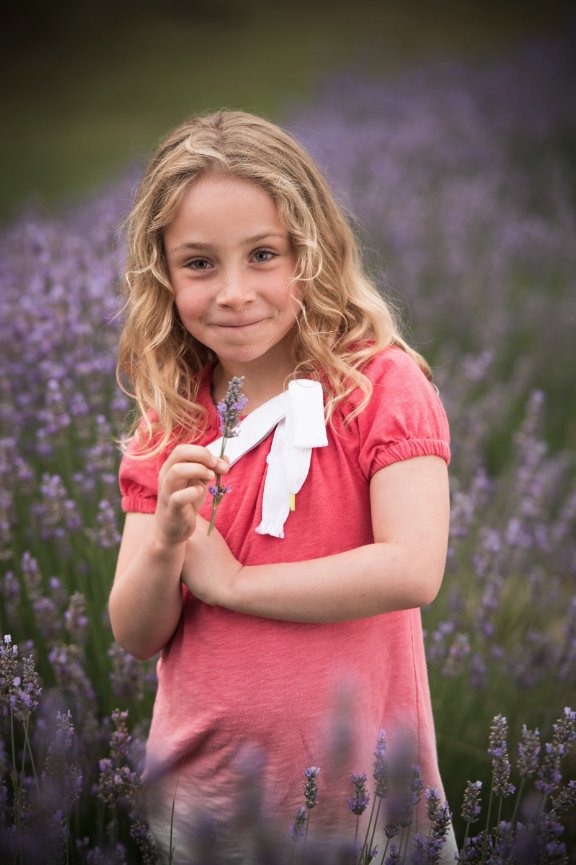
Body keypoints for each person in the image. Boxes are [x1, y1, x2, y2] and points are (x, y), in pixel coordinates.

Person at [109, 109, 457, 864]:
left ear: (314, 253)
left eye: (263, 254)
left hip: (364, 806)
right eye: (199, 263)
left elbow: (413, 568)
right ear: (161, 275)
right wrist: (167, 541)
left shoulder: (377, 386)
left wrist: (233, 582)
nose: (234, 292)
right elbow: (136, 634)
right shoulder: (169, 417)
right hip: (204, 809)